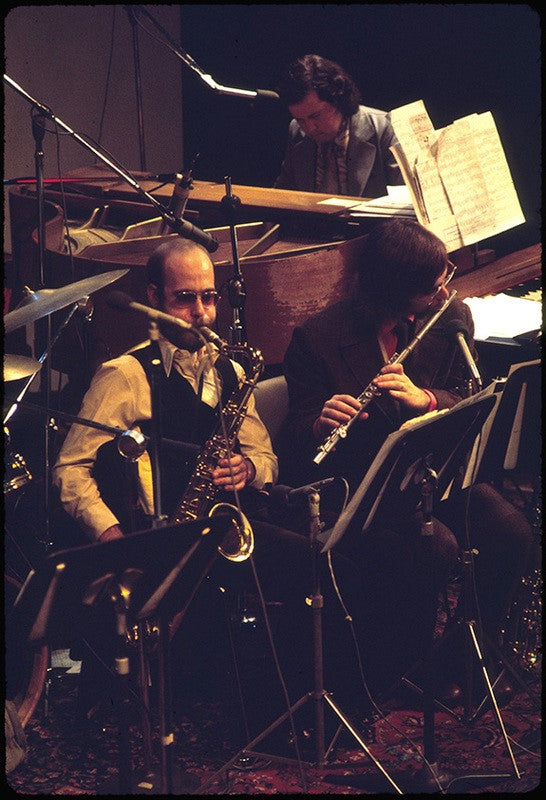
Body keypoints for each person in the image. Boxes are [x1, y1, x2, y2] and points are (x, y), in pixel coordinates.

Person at [51, 238, 367, 730]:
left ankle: (290, 717)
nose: (201, 312)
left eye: (209, 297)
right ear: (154, 299)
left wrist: (250, 468)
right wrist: (111, 538)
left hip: (217, 530)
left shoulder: (231, 370)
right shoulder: (124, 375)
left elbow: (265, 455)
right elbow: (71, 468)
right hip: (160, 539)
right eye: (185, 297)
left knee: (331, 567)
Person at [280, 218, 532, 700]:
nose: (444, 294)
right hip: (366, 488)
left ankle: (457, 660)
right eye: (432, 289)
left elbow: (468, 393)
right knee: (435, 544)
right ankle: (398, 675)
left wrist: (427, 400)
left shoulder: (452, 318)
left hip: (433, 473)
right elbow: (294, 442)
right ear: (392, 293)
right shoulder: (317, 337)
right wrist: (318, 423)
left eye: (444, 280)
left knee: (509, 531)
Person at [274, 54, 404, 198]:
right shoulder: (296, 130)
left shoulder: (385, 127)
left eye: (315, 116)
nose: (309, 128)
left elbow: (406, 199)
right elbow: (284, 192)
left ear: (338, 99)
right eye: (300, 120)